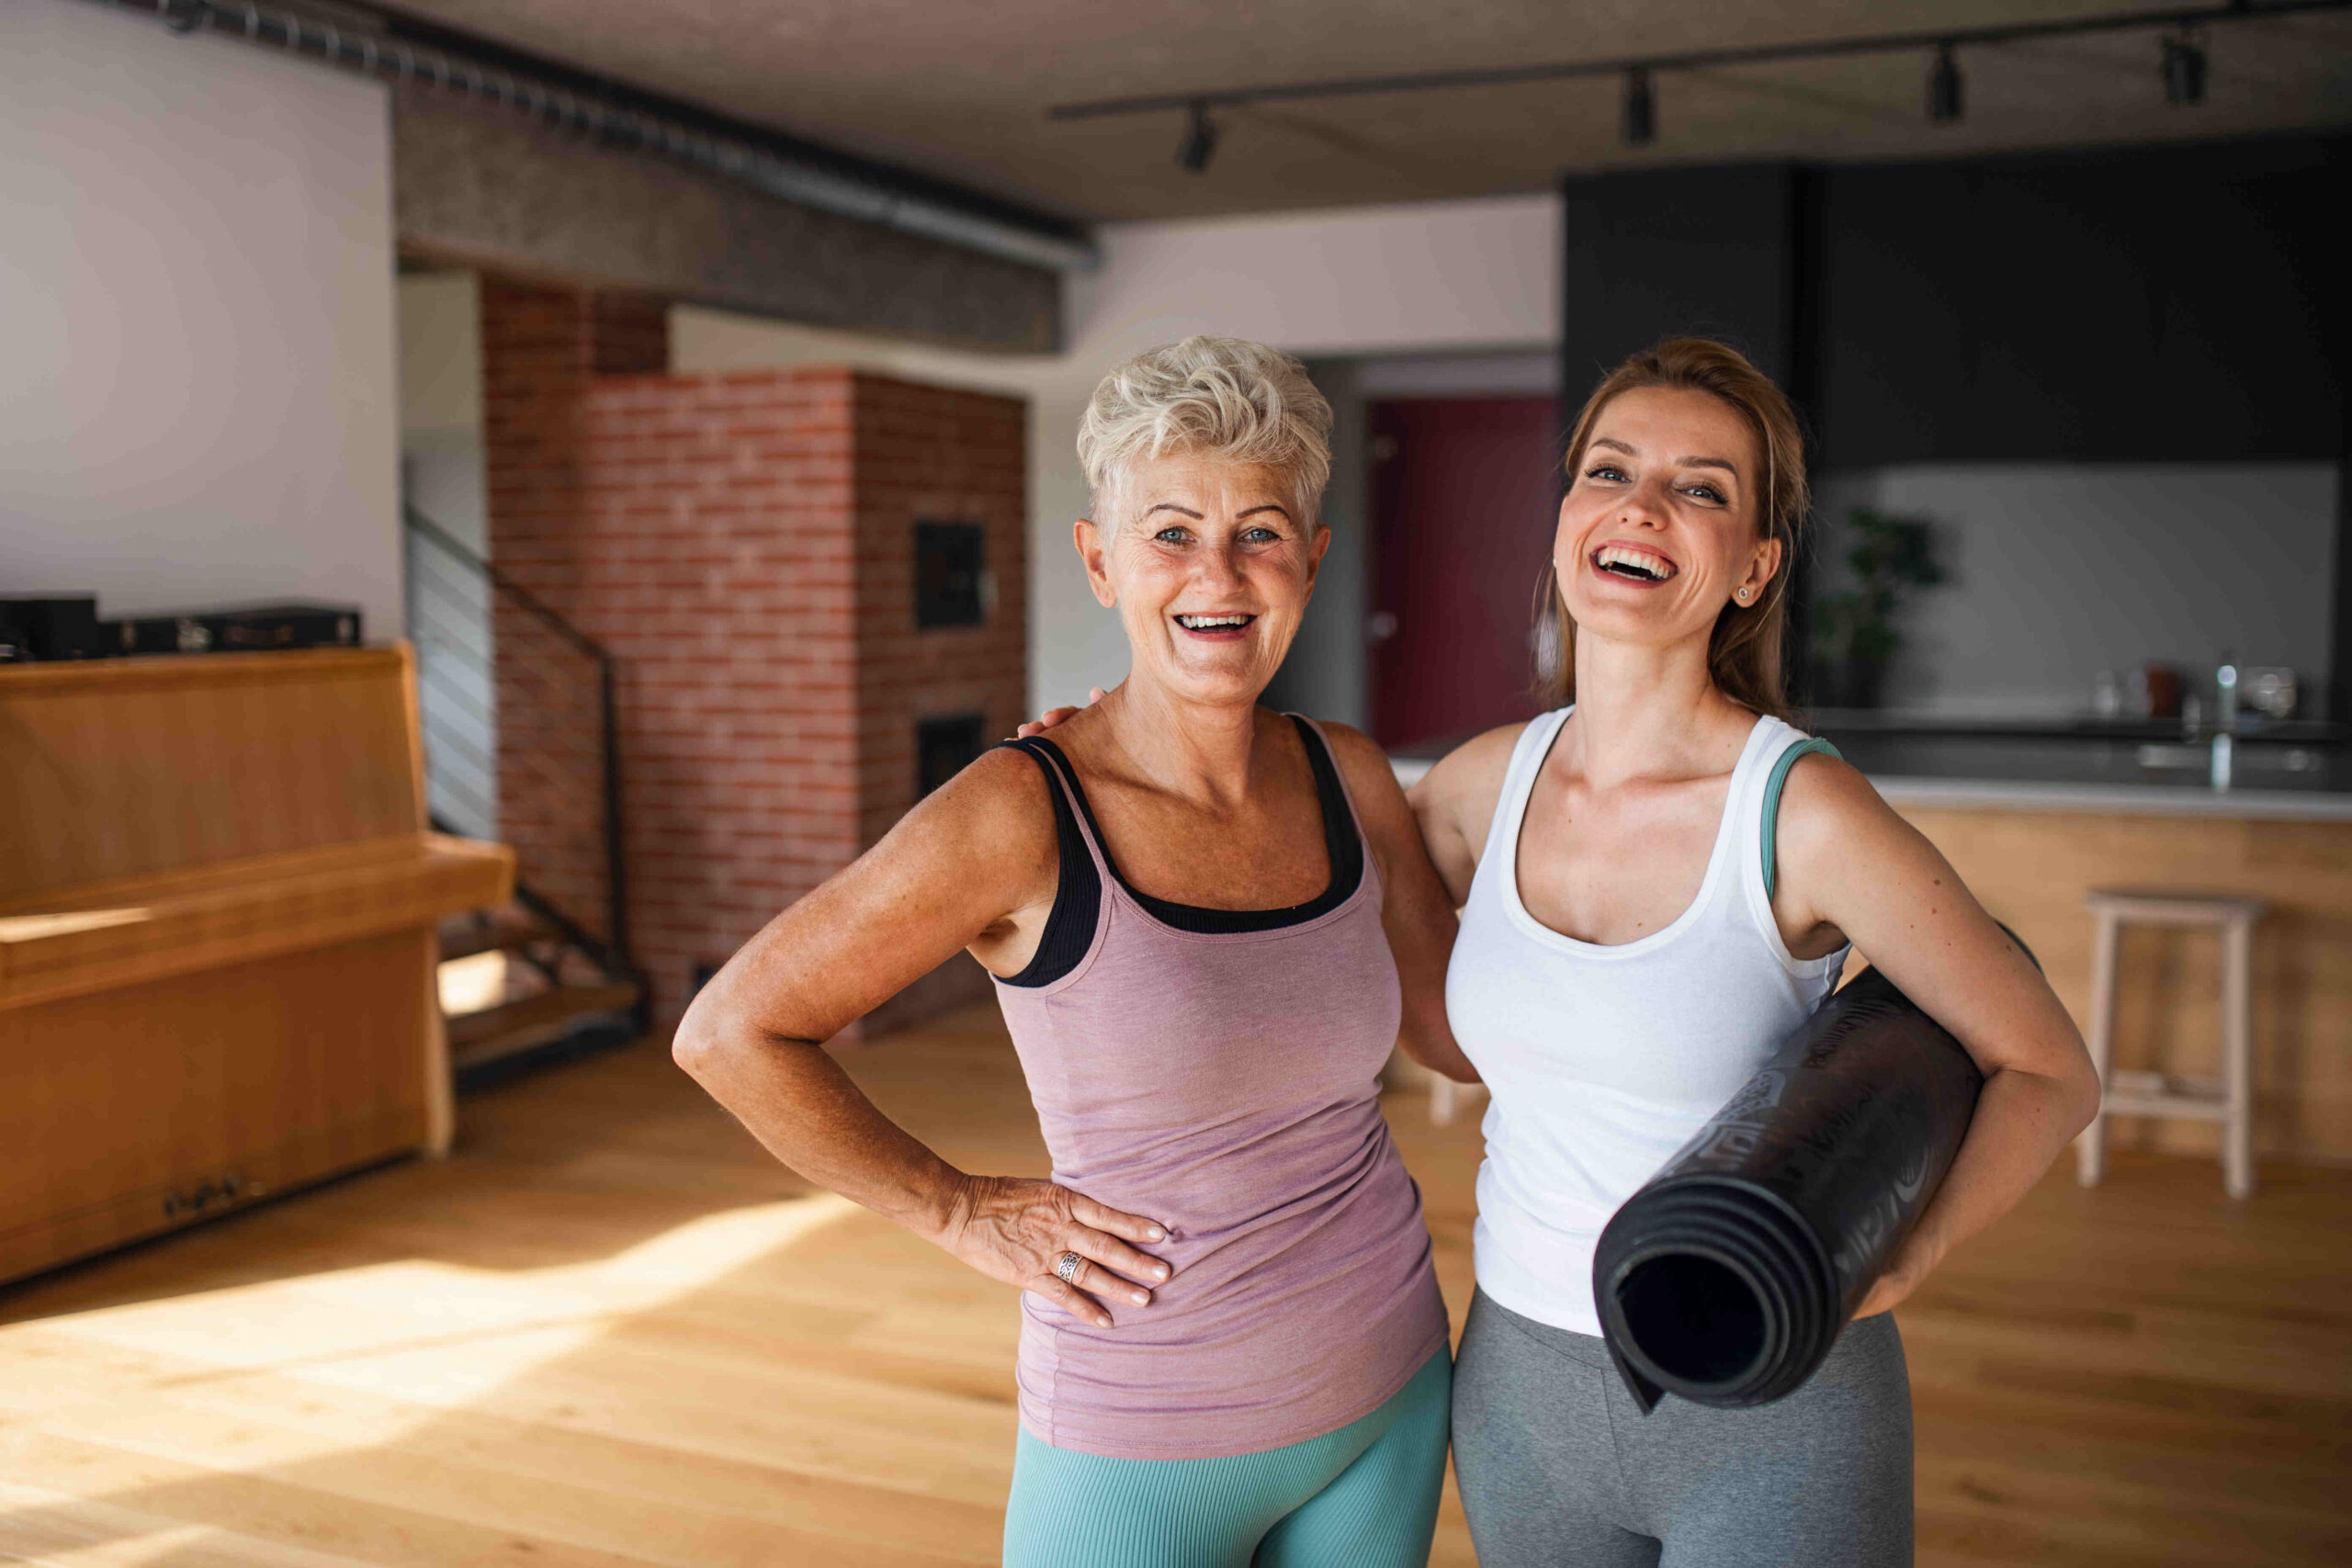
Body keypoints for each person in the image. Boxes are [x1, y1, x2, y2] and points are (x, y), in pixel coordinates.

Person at [673, 335, 1479, 1568]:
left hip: (1388, 1381)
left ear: (1311, 565)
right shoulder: (1019, 812)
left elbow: (1453, 1032)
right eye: (1169, 533)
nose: (1219, 571)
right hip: (1142, 1431)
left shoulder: (1349, 774)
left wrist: (1587, 831)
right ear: (1100, 562)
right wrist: (955, 1210)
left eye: (1261, 532)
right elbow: (732, 1030)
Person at [1408, 337, 2102, 1566]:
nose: (1643, 504)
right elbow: (1306, 912)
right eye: (1610, 469)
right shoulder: (1478, 787)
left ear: (1754, 566)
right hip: (1517, 1387)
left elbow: (2050, 1068)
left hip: (1777, 1410)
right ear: (1569, 514)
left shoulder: (1802, 814)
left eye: (1702, 487)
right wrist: (1104, 758)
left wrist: (1909, 1247)